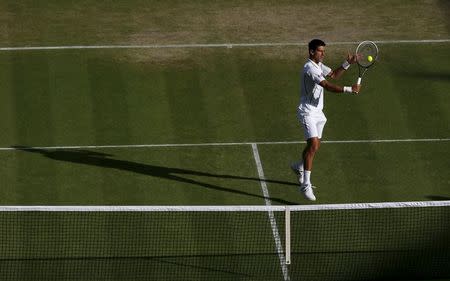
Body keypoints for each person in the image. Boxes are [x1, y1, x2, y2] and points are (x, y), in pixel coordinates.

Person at [291, 39, 360, 201]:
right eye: (320, 51)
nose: (323, 53)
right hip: (307, 111)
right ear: (312, 52)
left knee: (313, 146)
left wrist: (347, 63)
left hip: (318, 113)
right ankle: (305, 185)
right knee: (314, 144)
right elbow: (327, 86)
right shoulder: (309, 68)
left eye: (324, 51)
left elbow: (334, 75)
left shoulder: (319, 66)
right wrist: (350, 89)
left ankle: (299, 167)